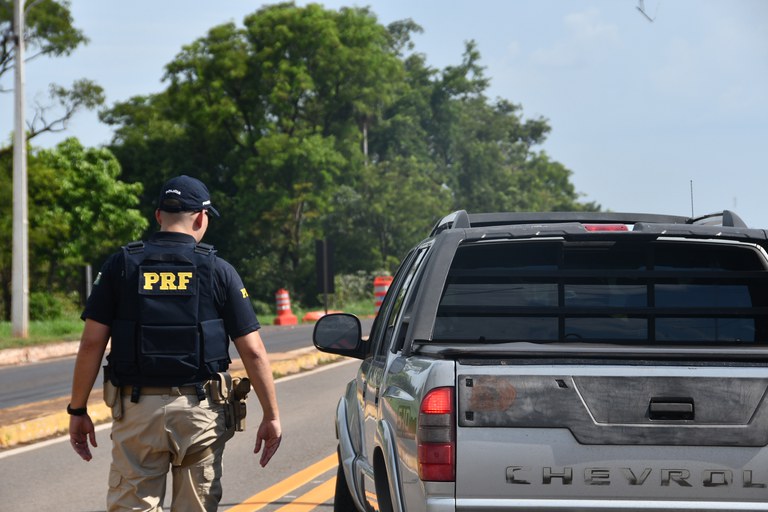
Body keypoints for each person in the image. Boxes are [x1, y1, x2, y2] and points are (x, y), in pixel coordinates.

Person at [67, 175, 282, 511]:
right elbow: (253, 350)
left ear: (158, 217)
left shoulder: (121, 265)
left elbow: (91, 344)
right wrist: (271, 415)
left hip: (137, 412)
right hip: (200, 411)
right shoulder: (218, 270)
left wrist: (77, 409)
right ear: (200, 218)